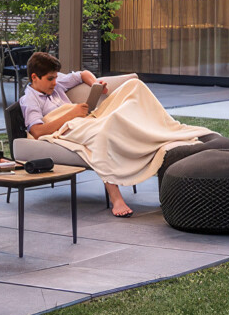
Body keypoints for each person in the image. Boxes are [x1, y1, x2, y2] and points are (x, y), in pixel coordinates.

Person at [19, 51, 211, 218]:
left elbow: (82, 74)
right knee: (103, 132)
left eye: (55, 77)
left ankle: (166, 129)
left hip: (87, 117)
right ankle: (116, 198)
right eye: (50, 79)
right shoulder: (30, 100)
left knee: (134, 85)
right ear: (34, 77)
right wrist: (72, 113)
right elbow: (36, 131)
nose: (55, 81)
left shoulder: (56, 81)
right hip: (68, 127)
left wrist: (96, 85)